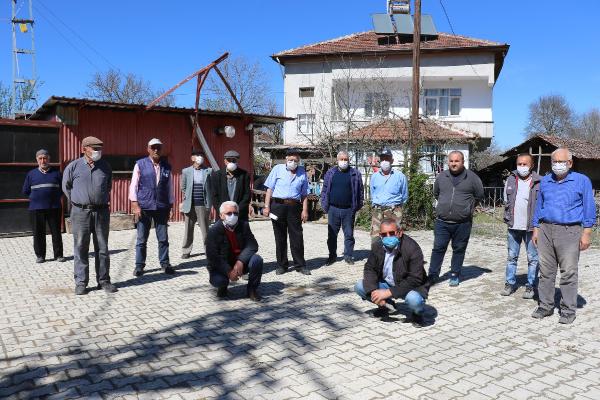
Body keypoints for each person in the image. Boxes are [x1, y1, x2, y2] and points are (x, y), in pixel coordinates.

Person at [531, 148, 596, 324]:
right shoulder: (545, 181)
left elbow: (589, 207)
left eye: (561, 162)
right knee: (545, 271)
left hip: (570, 231)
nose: (557, 165)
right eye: (554, 162)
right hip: (545, 229)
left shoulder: (582, 181)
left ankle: (568, 310)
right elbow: (539, 206)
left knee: (568, 272)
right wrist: (536, 228)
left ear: (570, 163)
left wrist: (587, 232)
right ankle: (545, 306)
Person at [62, 136, 117, 295]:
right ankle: (81, 282)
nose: (97, 151)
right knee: (80, 247)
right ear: (84, 149)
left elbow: (108, 187)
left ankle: (104, 281)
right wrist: (78, 200)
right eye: (94, 148)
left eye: (99, 148)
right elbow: (66, 187)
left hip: (101, 212)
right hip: (80, 212)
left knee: (102, 247)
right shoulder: (74, 167)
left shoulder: (105, 166)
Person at [354, 218, 429, 326]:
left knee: (414, 300)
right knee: (360, 286)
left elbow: (415, 279)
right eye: (384, 234)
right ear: (380, 235)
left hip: (411, 287)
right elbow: (370, 269)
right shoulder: (377, 246)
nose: (388, 237)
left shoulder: (412, 248)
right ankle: (386, 307)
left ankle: (417, 314)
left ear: (399, 233)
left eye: (392, 233)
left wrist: (388, 293)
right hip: (387, 283)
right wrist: (374, 292)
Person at [428, 150, 484, 287]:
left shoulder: (472, 178)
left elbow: (479, 195)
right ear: (448, 162)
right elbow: (436, 193)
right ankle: (433, 275)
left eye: (456, 161)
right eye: (451, 161)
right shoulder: (442, 177)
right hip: (442, 222)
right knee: (438, 248)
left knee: (459, 249)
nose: (453, 163)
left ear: (463, 161)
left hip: (463, 223)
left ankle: (455, 274)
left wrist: (467, 209)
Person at [129, 138, 175, 277]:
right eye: (153, 147)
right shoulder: (140, 164)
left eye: (158, 148)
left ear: (161, 149)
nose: (156, 150)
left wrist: (171, 206)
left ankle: (165, 264)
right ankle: (139, 266)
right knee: (142, 239)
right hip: (144, 207)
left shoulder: (167, 166)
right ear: (148, 149)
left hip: (161, 207)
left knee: (163, 239)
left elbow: (169, 188)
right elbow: (133, 185)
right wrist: (135, 204)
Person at [262, 148, 310, 275]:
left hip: (294, 207)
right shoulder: (277, 169)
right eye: (290, 160)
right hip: (278, 206)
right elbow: (269, 189)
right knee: (280, 236)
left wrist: (305, 210)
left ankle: (300, 265)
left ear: (298, 161)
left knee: (297, 237)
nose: (292, 162)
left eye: (295, 160)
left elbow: (304, 194)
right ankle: (282, 265)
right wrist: (266, 206)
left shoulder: (302, 172)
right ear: (286, 160)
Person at [500, 153, 541, 299]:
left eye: (525, 164)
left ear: (532, 165)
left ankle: (531, 286)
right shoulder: (511, 179)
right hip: (513, 226)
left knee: (533, 258)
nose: (522, 167)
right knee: (512, 257)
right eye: (519, 164)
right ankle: (509, 283)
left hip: (531, 228)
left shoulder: (539, 182)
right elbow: (506, 200)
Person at [206, 201, 263, 301]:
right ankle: (222, 287)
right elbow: (213, 257)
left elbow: (253, 245)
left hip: (240, 262)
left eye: (235, 213)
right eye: (229, 213)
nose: (233, 216)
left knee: (257, 260)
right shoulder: (213, 230)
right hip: (223, 264)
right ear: (221, 215)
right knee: (219, 281)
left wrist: (240, 261)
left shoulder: (244, 225)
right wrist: (229, 271)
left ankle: (252, 290)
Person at [321, 150, 364, 265]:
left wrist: (357, 206)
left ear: (349, 161)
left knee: (349, 234)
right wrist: (324, 204)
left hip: (349, 209)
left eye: (346, 159)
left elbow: (360, 192)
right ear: (337, 160)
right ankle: (332, 256)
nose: (344, 161)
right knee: (332, 235)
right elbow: (325, 190)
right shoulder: (330, 173)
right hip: (333, 209)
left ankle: (348, 255)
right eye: (342, 159)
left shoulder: (355, 173)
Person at [22, 149, 65, 264]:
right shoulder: (31, 174)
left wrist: (53, 198)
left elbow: (63, 190)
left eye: (45, 158)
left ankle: (59, 255)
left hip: (54, 207)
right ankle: (40, 256)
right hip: (36, 208)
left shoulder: (57, 174)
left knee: (56, 232)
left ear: (49, 159)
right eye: (40, 158)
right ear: (37, 160)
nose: (43, 160)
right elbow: (25, 191)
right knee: (38, 233)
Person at [180, 150, 213, 259]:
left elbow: (211, 188)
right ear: (192, 158)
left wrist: (209, 204)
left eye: (201, 156)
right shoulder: (186, 171)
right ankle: (186, 250)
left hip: (203, 205)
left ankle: (208, 250)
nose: (200, 157)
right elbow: (183, 187)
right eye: (198, 156)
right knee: (188, 229)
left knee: (205, 229)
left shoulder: (208, 171)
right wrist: (187, 198)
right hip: (190, 205)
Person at [369, 148, 408, 239]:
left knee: (394, 237)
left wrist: (397, 207)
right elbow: (372, 193)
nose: (385, 161)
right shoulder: (374, 177)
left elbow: (404, 195)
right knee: (376, 237)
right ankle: (377, 253)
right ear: (379, 160)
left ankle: (395, 253)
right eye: (383, 158)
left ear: (392, 160)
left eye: (387, 158)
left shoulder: (400, 176)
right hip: (378, 211)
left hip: (394, 211)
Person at [210, 150, 251, 221]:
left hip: (240, 214)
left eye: (234, 160)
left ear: (237, 161)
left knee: (241, 232)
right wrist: (221, 210)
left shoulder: (244, 175)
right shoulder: (216, 175)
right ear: (225, 161)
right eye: (229, 160)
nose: (231, 162)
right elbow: (214, 196)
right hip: (223, 214)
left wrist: (237, 210)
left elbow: (247, 195)